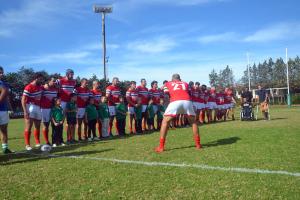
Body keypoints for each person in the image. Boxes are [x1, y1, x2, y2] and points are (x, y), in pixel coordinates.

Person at [155, 74, 202, 153]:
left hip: (175, 101)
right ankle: (198, 144)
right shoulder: (185, 83)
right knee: (193, 122)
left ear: (172, 79)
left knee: (165, 122)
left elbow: (165, 93)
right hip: (187, 101)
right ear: (180, 79)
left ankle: (161, 146)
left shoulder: (168, 83)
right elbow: (190, 93)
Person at [22, 72, 44, 150]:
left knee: (37, 126)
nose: (42, 81)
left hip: (38, 108)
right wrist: (25, 111)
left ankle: (38, 143)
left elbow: (47, 86)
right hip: (30, 107)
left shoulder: (40, 87)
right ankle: (27, 145)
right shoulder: (28, 87)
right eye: (40, 79)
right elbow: (23, 100)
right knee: (29, 126)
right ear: (36, 78)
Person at [40, 76, 58, 145]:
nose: (54, 82)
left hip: (53, 109)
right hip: (45, 109)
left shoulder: (56, 89)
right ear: (48, 81)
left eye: (55, 81)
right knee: (46, 125)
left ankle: (55, 141)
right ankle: (47, 141)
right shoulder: (43, 88)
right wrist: (44, 86)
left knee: (54, 125)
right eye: (53, 81)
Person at [0, 66, 14, 154]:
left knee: (4, 130)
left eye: (2, 72)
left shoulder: (4, 84)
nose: (1, 74)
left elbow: (6, 98)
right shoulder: (4, 86)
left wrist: (10, 108)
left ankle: (5, 148)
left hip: (3, 110)